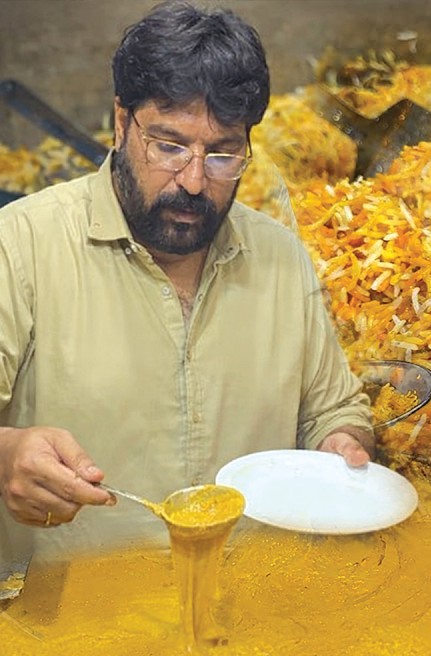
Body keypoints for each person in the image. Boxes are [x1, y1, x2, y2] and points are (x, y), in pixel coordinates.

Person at [0, 2, 372, 559]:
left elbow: (333, 409)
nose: (195, 181)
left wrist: (341, 443)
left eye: (223, 154)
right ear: (122, 123)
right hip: (68, 624)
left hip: (250, 611)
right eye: (169, 147)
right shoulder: (21, 245)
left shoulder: (279, 257)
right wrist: (7, 455)